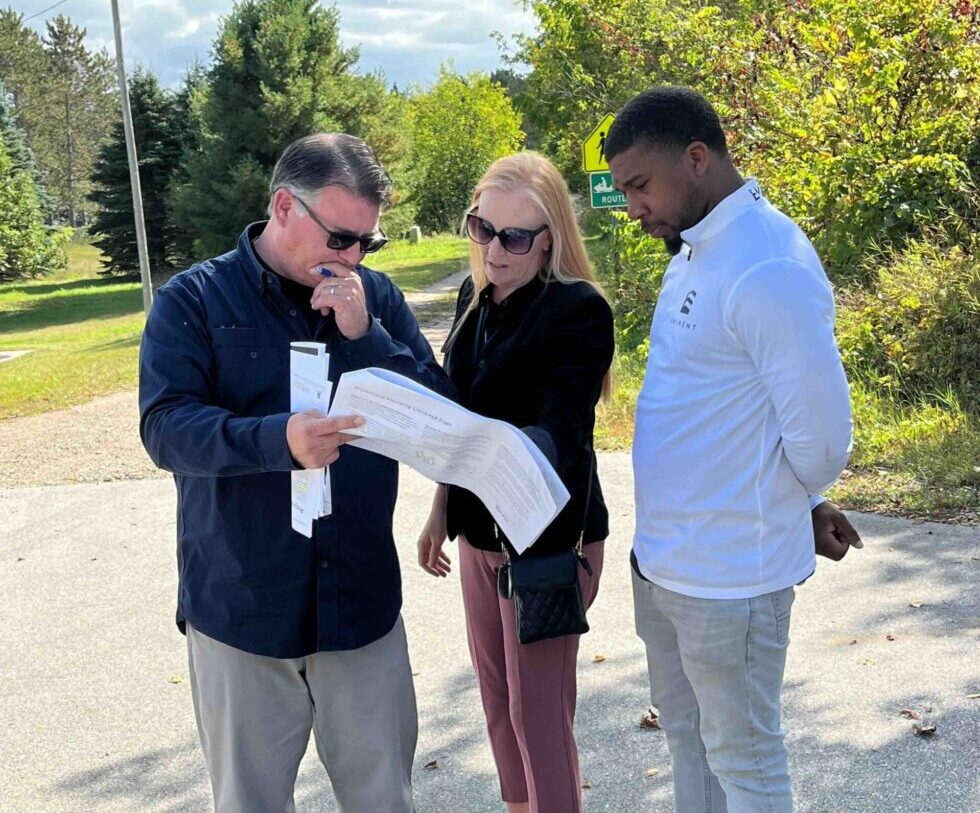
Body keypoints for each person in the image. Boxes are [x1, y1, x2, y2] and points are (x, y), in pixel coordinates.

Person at [139, 133, 453, 813]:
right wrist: (274, 440)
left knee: (384, 801)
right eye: (342, 237)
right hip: (244, 614)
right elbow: (164, 427)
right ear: (284, 206)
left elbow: (437, 414)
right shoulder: (193, 300)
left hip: (360, 612)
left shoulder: (374, 299)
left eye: (369, 242)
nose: (355, 257)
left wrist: (366, 332)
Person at [605, 87, 862, 812]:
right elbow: (730, 409)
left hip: (729, 582)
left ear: (696, 159)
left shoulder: (766, 264)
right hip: (664, 567)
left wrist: (787, 501)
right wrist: (802, 502)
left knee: (745, 764)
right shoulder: (693, 250)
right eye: (625, 189)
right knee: (690, 741)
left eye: (640, 185)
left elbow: (822, 436)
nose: (632, 207)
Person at [416, 151, 615, 813]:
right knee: (499, 707)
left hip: (550, 545)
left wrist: (490, 448)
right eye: (482, 228)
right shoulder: (477, 297)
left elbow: (560, 433)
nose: (494, 249)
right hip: (478, 533)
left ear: (550, 237)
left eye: (514, 236)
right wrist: (440, 507)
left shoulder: (577, 309)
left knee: (538, 716)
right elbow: (459, 412)